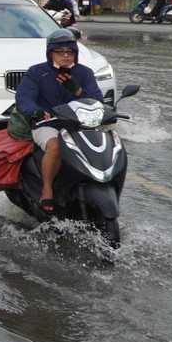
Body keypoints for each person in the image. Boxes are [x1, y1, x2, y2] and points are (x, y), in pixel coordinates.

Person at [14, 30, 104, 215]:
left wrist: (77, 90)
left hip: (79, 126)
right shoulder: (37, 72)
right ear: (50, 53)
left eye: (69, 51)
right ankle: (47, 188)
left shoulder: (85, 73)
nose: (65, 55)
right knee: (55, 145)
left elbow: (97, 102)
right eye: (60, 51)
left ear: (76, 53)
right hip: (48, 125)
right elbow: (24, 98)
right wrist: (37, 112)